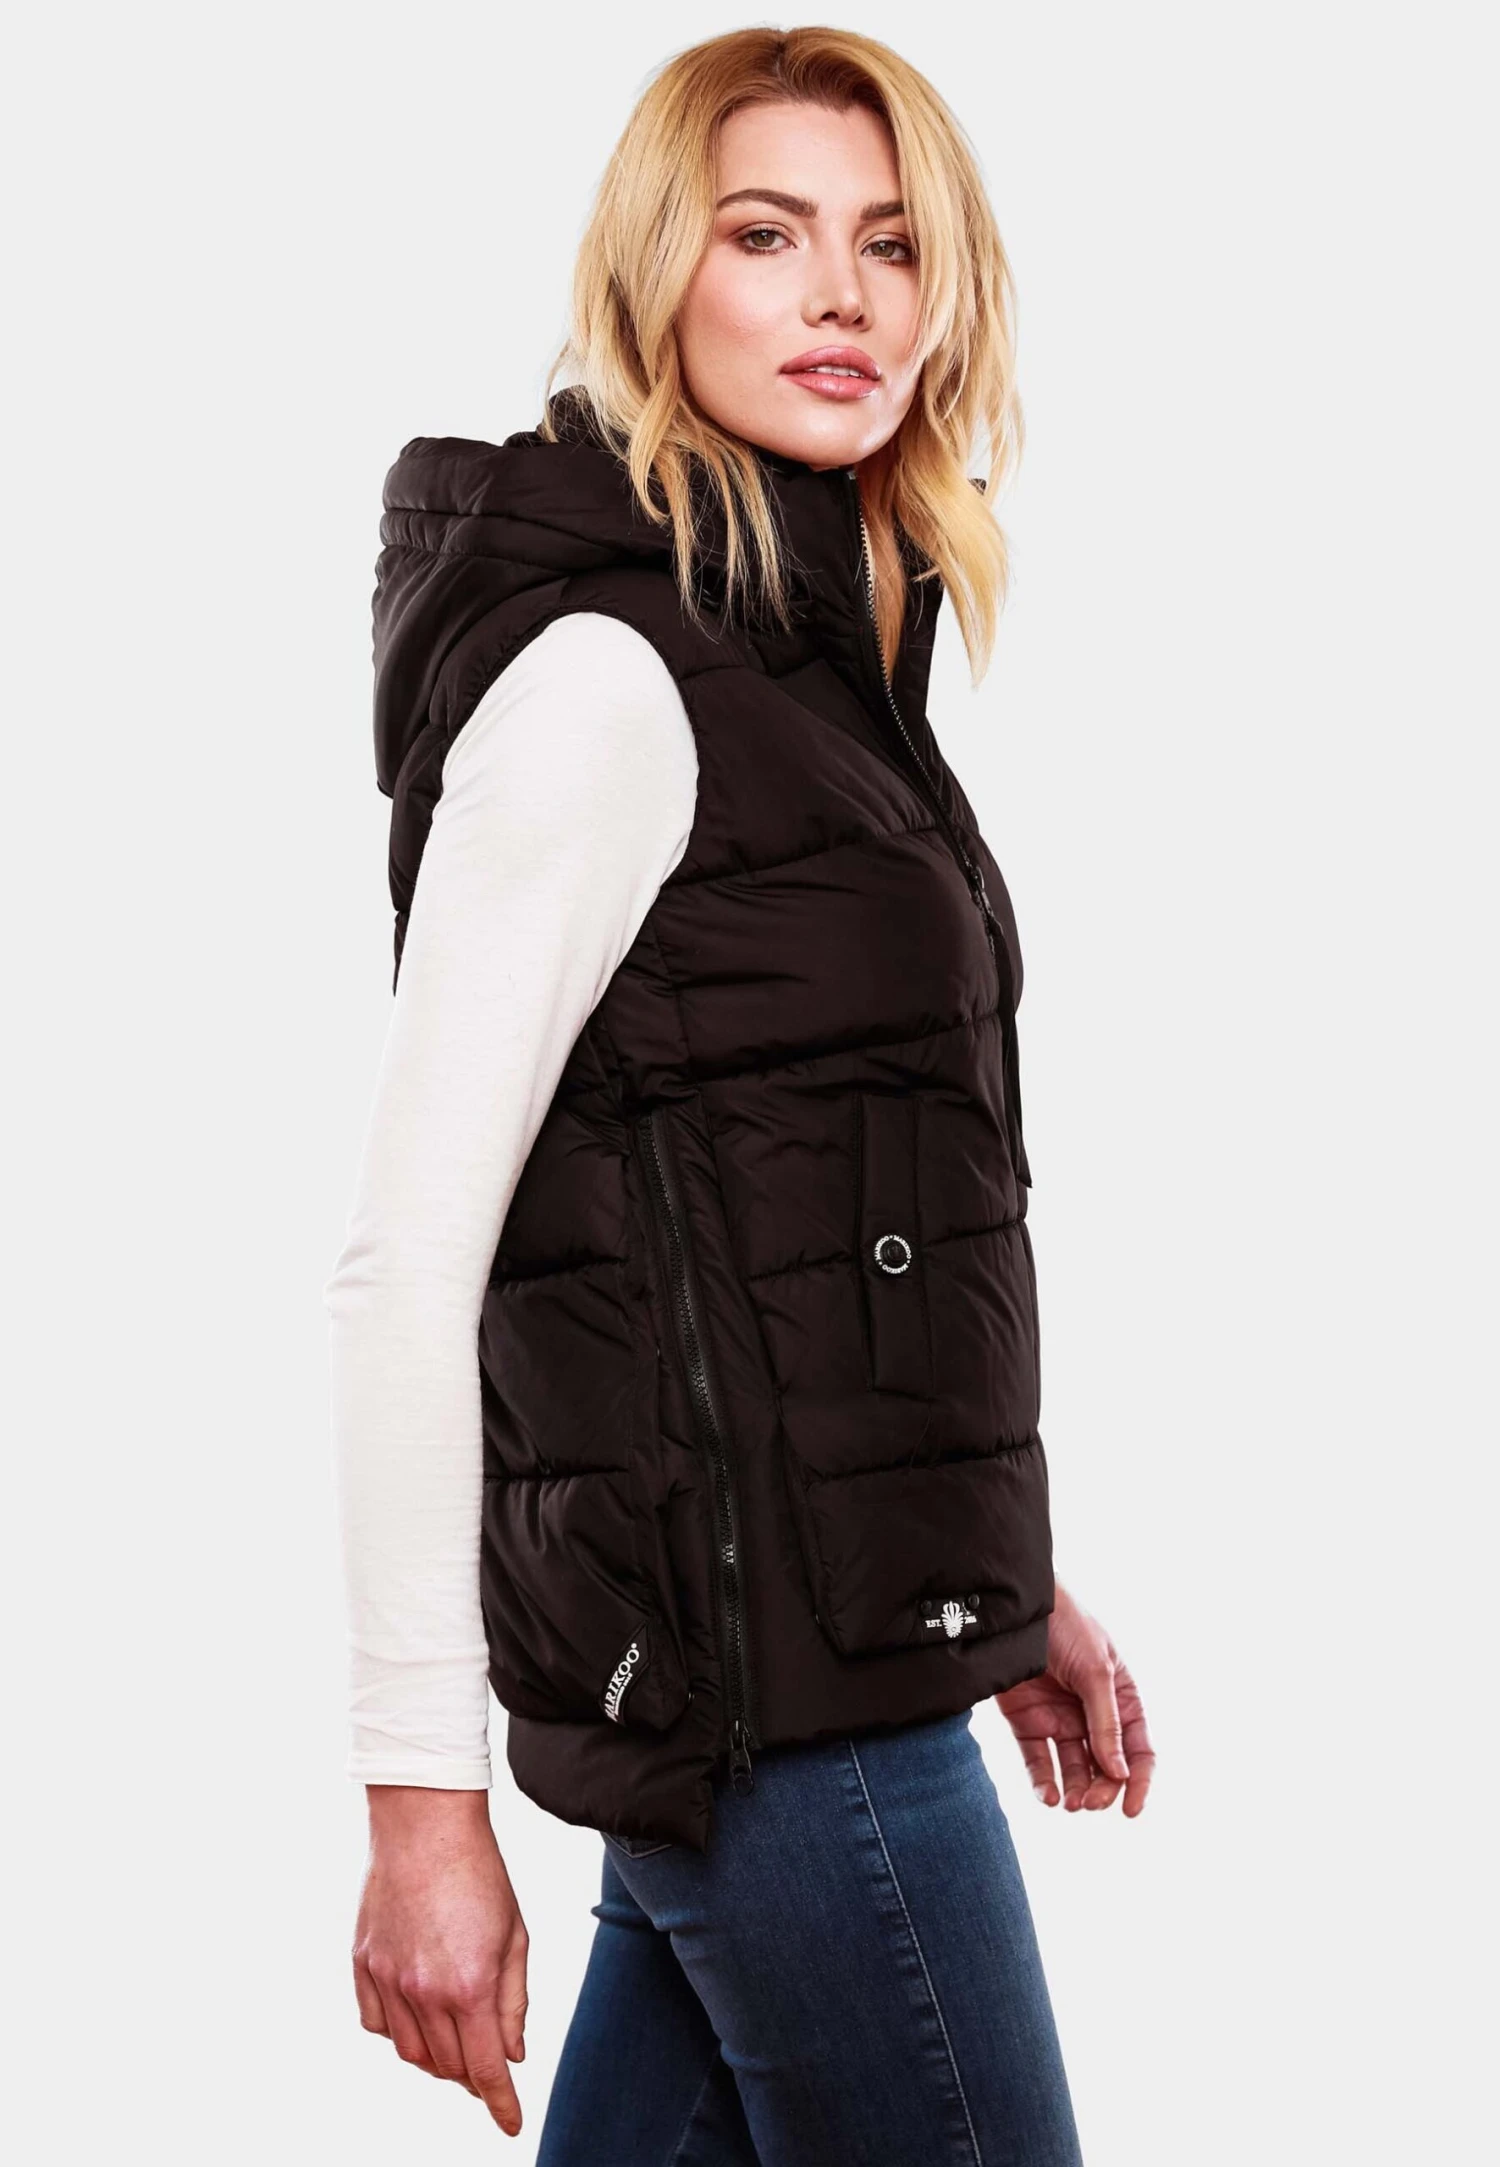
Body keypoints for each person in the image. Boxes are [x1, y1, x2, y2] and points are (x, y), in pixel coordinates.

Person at [325, 25, 1155, 2162]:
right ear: (656, 274)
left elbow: (810, 1225)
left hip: (821, 1668)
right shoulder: (610, 683)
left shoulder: (811, 666)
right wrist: (420, 1804)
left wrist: (990, 1578)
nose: (843, 295)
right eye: (766, 235)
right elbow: (412, 1261)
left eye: (894, 242)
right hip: (783, 1725)